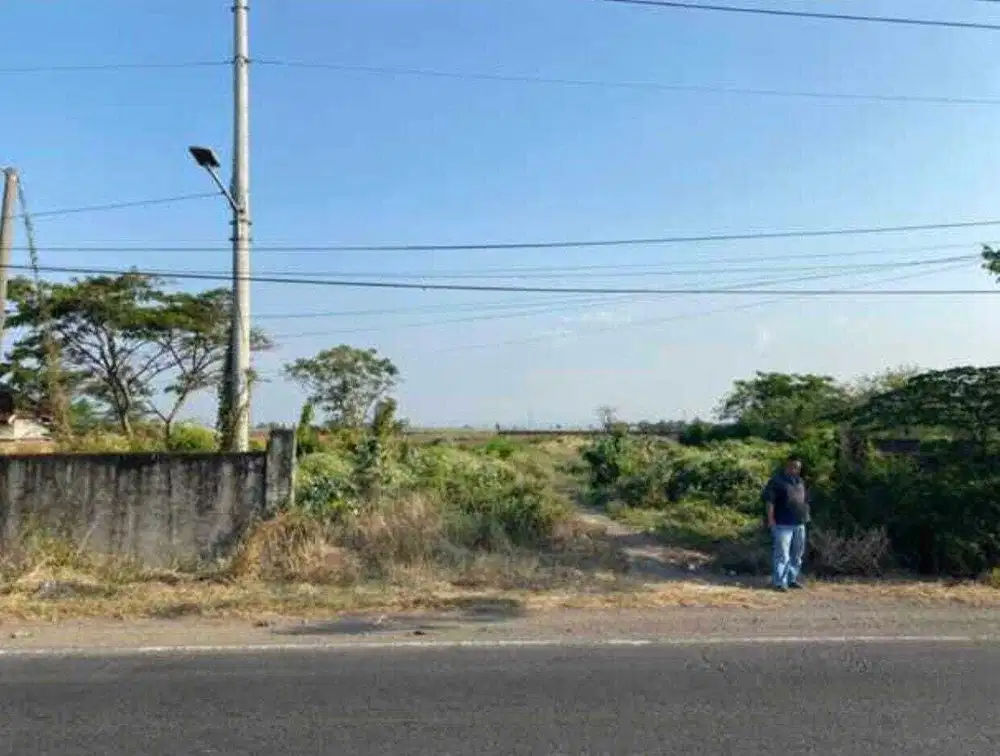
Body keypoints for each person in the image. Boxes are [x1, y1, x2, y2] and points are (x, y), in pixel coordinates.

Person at [761, 457, 809, 592]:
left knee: (797, 554)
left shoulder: (800, 481)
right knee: (782, 554)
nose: (796, 470)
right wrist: (771, 520)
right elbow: (770, 502)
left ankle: (791, 579)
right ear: (787, 467)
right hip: (782, 523)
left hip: (799, 523)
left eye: (798, 467)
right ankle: (779, 582)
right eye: (793, 467)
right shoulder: (776, 482)